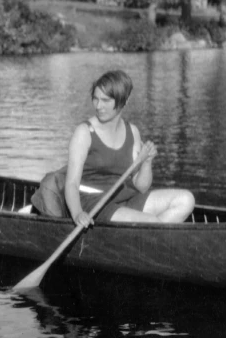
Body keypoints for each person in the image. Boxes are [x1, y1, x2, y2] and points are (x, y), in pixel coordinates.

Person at [65, 70, 194, 227]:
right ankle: (152, 238)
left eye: (105, 100)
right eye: (95, 99)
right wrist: (78, 213)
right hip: (92, 203)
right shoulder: (84, 133)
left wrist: (146, 162)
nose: (99, 106)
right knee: (153, 223)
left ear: (122, 102)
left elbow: (141, 186)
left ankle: (146, 239)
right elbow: (71, 183)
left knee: (186, 200)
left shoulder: (132, 132)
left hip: (124, 198)